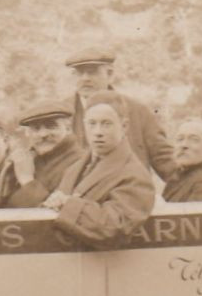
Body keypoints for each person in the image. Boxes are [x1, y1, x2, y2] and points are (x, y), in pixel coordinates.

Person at [42, 91, 156, 245]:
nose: (98, 132)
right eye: (92, 124)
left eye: (106, 124)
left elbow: (114, 227)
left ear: (124, 126)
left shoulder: (135, 175)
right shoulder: (75, 168)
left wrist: (66, 204)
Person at [65, 49, 176, 181]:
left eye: (92, 72)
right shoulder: (62, 114)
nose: (85, 78)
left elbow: (165, 161)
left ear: (110, 74)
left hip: (129, 193)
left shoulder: (138, 111)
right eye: (79, 73)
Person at [14, 100, 86, 207]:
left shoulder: (81, 162)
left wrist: (27, 179)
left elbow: (59, 210)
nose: (43, 134)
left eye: (51, 126)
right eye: (36, 128)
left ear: (68, 128)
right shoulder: (26, 161)